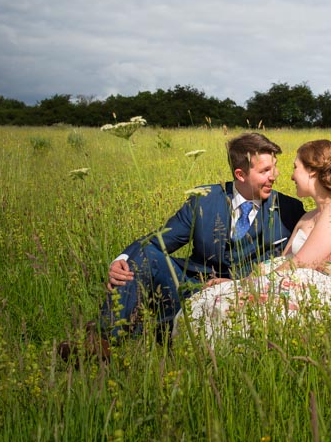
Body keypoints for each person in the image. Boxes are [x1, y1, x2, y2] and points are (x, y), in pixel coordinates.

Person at [75, 132, 305, 355]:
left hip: (242, 293)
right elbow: (159, 241)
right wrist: (122, 260)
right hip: (191, 285)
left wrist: (240, 284)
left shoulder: (289, 209)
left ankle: (149, 332)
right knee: (144, 256)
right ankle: (102, 342)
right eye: (265, 170)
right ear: (240, 174)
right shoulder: (204, 200)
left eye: (274, 167)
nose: (274, 175)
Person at [174, 139, 331, 340]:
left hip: (330, 292)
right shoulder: (306, 218)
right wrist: (238, 283)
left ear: (312, 172)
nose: (290, 176)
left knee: (236, 305)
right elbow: (282, 262)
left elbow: (303, 262)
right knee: (213, 298)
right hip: (296, 285)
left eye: (295, 167)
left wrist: (247, 286)